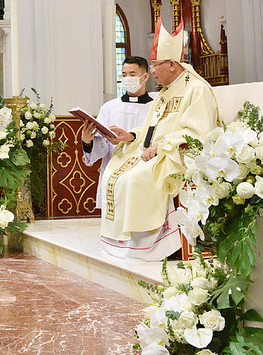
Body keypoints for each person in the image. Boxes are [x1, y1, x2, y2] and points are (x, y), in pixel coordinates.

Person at [100, 20, 219, 261]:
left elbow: (199, 132)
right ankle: (124, 240)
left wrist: (162, 146)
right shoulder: (165, 92)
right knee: (113, 173)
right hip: (158, 150)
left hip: (179, 154)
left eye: (155, 66)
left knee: (133, 178)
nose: (152, 71)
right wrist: (131, 136)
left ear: (172, 65)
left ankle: (148, 242)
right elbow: (152, 127)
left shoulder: (196, 89)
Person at [82, 57, 153, 209]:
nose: (127, 79)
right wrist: (87, 142)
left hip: (142, 173)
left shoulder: (155, 108)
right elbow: (101, 145)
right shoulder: (109, 108)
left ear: (145, 77)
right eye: (124, 75)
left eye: (132, 74)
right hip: (113, 172)